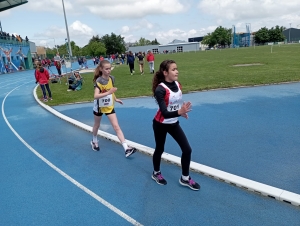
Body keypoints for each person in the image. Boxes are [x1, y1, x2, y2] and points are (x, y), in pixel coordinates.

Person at [151, 59, 200, 191]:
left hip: (173, 123)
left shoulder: (178, 84)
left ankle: (185, 178)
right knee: (160, 149)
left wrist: (181, 111)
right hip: (160, 124)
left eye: (177, 69)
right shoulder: (160, 90)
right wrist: (179, 112)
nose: (177, 71)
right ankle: (156, 173)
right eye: (173, 69)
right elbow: (165, 113)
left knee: (187, 149)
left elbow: (175, 101)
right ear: (165, 72)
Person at [91, 60, 137, 157]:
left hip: (108, 106)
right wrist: (109, 93)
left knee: (116, 126)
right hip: (99, 106)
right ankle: (94, 140)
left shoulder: (112, 78)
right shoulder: (99, 81)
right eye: (106, 69)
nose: (109, 71)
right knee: (97, 125)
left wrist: (115, 99)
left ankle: (126, 149)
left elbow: (110, 90)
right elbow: (96, 96)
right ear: (101, 69)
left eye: (110, 68)